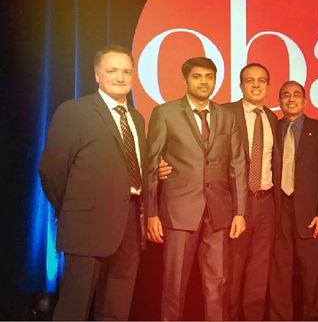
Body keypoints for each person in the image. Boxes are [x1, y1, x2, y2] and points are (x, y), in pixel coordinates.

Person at [39, 44, 147, 320]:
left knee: (116, 307)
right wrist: (74, 211)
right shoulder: (74, 111)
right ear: (97, 75)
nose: (120, 77)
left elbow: (130, 168)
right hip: (86, 228)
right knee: (74, 308)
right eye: (112, 71)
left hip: (129, 225)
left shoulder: (136, 117)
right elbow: (52, 170)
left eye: (126, 71)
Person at [145, 57, 247, 320]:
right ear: (186, 80)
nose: (204, 82)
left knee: (218, 282)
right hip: (179, 211)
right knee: (174, 285)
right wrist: (152, 214)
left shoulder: (226, 116)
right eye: (197, 76)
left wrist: (240, 212)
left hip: (219, 211)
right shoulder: (165, 113)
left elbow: (237, 164)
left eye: (209, 77)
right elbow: (152, 165)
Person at [268, 81, 318, 320]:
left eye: (296, 94)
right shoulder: (271, 129)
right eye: (285, 95)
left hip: (313, 215)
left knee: (315, 279)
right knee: (278, 279)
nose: (290, 99)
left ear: (305, 101)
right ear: (279, 101)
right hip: (278, 214)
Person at [224, 63, 280, 320]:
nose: (256, 85)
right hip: (236, 204)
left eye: (261, 80)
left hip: (266, 203)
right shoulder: (225, 113)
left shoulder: (271, 118)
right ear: (241, 85)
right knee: (232, 273)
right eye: (250, 80)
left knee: (259, 273)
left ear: (268, 85)